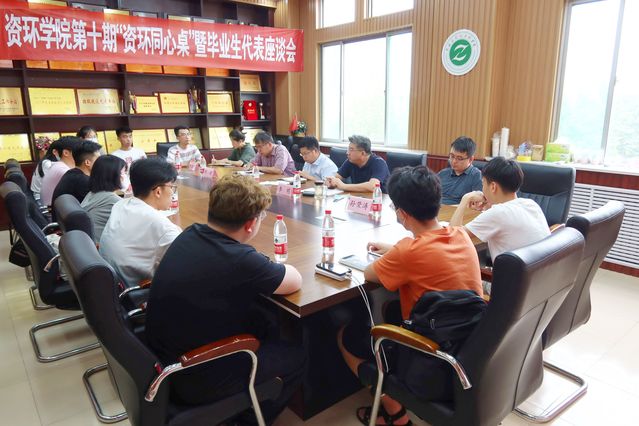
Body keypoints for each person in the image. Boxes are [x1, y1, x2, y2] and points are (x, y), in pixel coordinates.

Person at [145, 174, 306, 424]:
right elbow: (294, 279)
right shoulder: (241, 259)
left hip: (162, 355)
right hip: (195, 375)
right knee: (298, 356)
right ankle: (248, 419)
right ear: (251, 224)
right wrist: (261, 262)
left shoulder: (190, 233)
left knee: (264, 318)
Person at [337, 165, 482, 425]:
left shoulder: (408, 251)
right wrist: (396, 250)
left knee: (346, 336)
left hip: (430, 357)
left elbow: (370, 273)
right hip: (469, 345)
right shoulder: (460, 234)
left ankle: (396, 414)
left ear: (402, 214)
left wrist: (398, 252)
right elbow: (429, 249)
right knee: (391, 308)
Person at [450, 156, 550, 263]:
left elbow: (452, 237)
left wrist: (465, 199)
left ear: (493, 187)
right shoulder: (531, 204)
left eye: (483, 183)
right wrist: (488, 206)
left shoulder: (498, 213)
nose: (482, 188)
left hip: (511, 273)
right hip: (541, 271)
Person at [99, 157, 182, 287]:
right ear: (158, 191)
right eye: (171, 187)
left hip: (109, 283)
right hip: (138, 292)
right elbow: (187, 265)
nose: (172, 192)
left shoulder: (121, 205)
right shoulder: (164, 228)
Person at [81, 155, 128, 242]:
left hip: (91, 243)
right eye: (124, 173)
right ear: (113, 175)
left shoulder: (92, 193)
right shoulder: (112, 200)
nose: (125, 176)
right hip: (102, 247)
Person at [325, 135, 390, 193]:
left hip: (380, 199)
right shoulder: (351, 161)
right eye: (348, 149)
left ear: (363, 153)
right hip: (359, 198)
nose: (347, 153)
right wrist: (331, 181)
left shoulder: (379, 163)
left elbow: (373, 186)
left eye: (351, 150)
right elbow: (336, 177)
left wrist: (343, 186)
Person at [52, 139, 101, 205]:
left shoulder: (71, 173)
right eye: (98, 159)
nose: (101, 162)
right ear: (87, 162)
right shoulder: (84, 181)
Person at [438, 136, 483, 205]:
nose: (454, 161)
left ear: (471, 159)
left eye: (459, 158)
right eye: (452, 156)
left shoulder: (476, 176)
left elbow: (477, 204)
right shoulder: (443, 173)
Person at [40, 136, 83, 207]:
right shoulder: (64, 171)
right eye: (80, 151)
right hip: (54, 210)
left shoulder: (58, 166)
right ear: (66, 153)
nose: (83, 154)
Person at [31, 140, 59, 205]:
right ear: (55, 152)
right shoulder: (47, 163)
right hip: (42, 200)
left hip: (45, 197)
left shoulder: (48, 161)